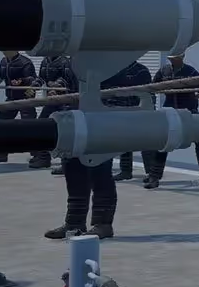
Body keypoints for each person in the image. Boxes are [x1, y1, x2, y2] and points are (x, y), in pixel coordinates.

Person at [44, 59, 147, 241]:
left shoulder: (132, 69)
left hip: (104, 126)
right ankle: (74, 223)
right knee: (73, 173)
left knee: (100, 174)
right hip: (76, 123)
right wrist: (57, 87)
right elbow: (67, 84)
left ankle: (103, 224)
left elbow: (139, 101)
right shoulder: (75, 62)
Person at [142, 50, 199, 189]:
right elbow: (152, 87)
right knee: (162, 143)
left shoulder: (191, 72)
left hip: (190, 112)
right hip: (170, 113)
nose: (173, 60)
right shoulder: (163, 71)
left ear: (182, 57)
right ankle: (154, 177)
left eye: (176, 57)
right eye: (172, 58)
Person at [0, 49, 39, 165]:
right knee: (0, 124)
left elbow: (33, 79)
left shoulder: (25, 62)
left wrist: (21, 81)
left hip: (25, 100)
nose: (3, 51)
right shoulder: (3, 62)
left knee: (30, 127)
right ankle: (2, 154)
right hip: (11, 99)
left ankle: (37, 155)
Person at [106, 59, 150, 181]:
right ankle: (125, 171)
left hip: (138, 110)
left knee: (146, 141)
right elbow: (107, 89)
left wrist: (148, 111)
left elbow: (149, 93)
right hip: (120, 110)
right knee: (123, 141)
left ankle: (151, 173)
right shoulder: (114, 69)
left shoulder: (141, 70)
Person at [38, 54, 75, 172]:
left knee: (65, 131)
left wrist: (56, 87)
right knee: (42, 125)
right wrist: (34, 86)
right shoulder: (45, 61)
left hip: (65, 101)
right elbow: (41, 78)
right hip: (52, 101)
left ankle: (66, 164)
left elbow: (68, 79)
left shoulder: (65, 62)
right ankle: (44, 158)